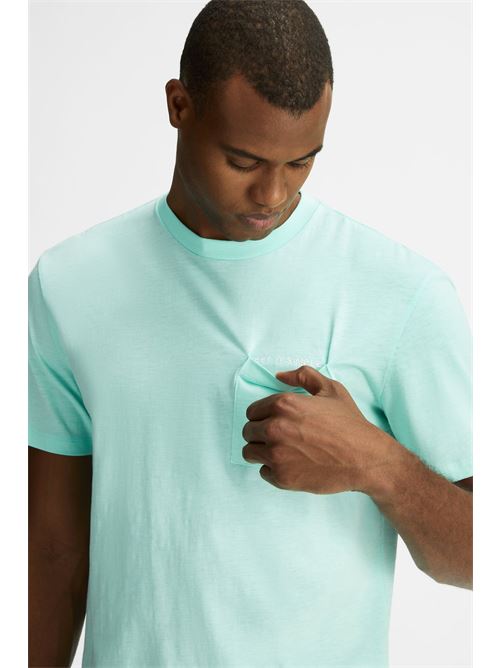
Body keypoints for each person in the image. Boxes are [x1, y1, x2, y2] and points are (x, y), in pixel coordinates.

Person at [28, 1, 472, 666]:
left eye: (302, 162)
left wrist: (375, 464)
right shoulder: (70, 284)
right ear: (179, 105)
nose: (272, 194)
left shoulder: (402, 294)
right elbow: (52, 551)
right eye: (243, 160)